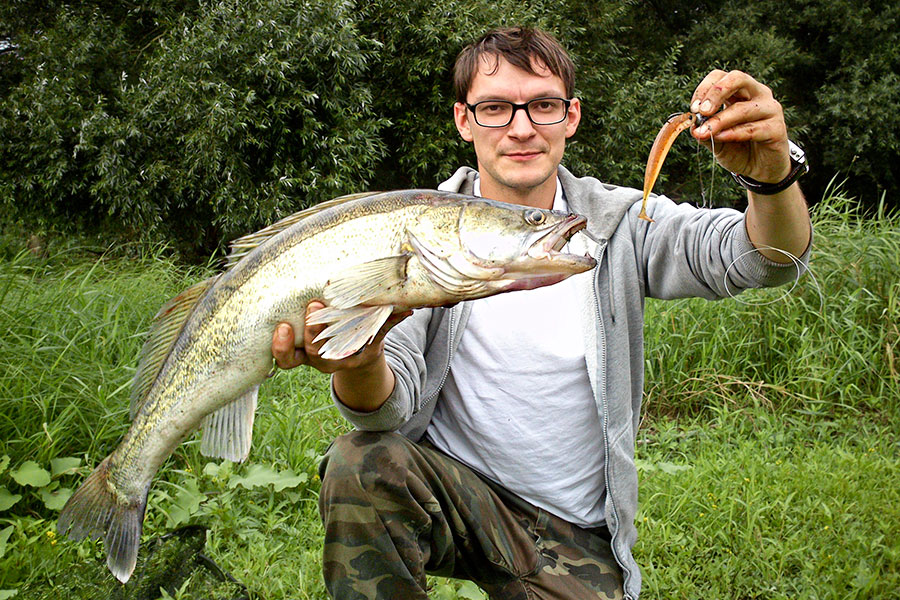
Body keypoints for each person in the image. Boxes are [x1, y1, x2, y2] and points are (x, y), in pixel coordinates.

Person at [271, 27, 811, 600]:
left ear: (571, 116)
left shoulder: (619, 223)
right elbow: (385, 413)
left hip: (575, 532)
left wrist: (771, 176)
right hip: (461, 498)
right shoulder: (419, 235)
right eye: (496, 108)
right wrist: (361, 360)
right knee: (362, 462)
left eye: (543, 105)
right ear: (464, 120)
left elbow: (764, 260)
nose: (522, 127)